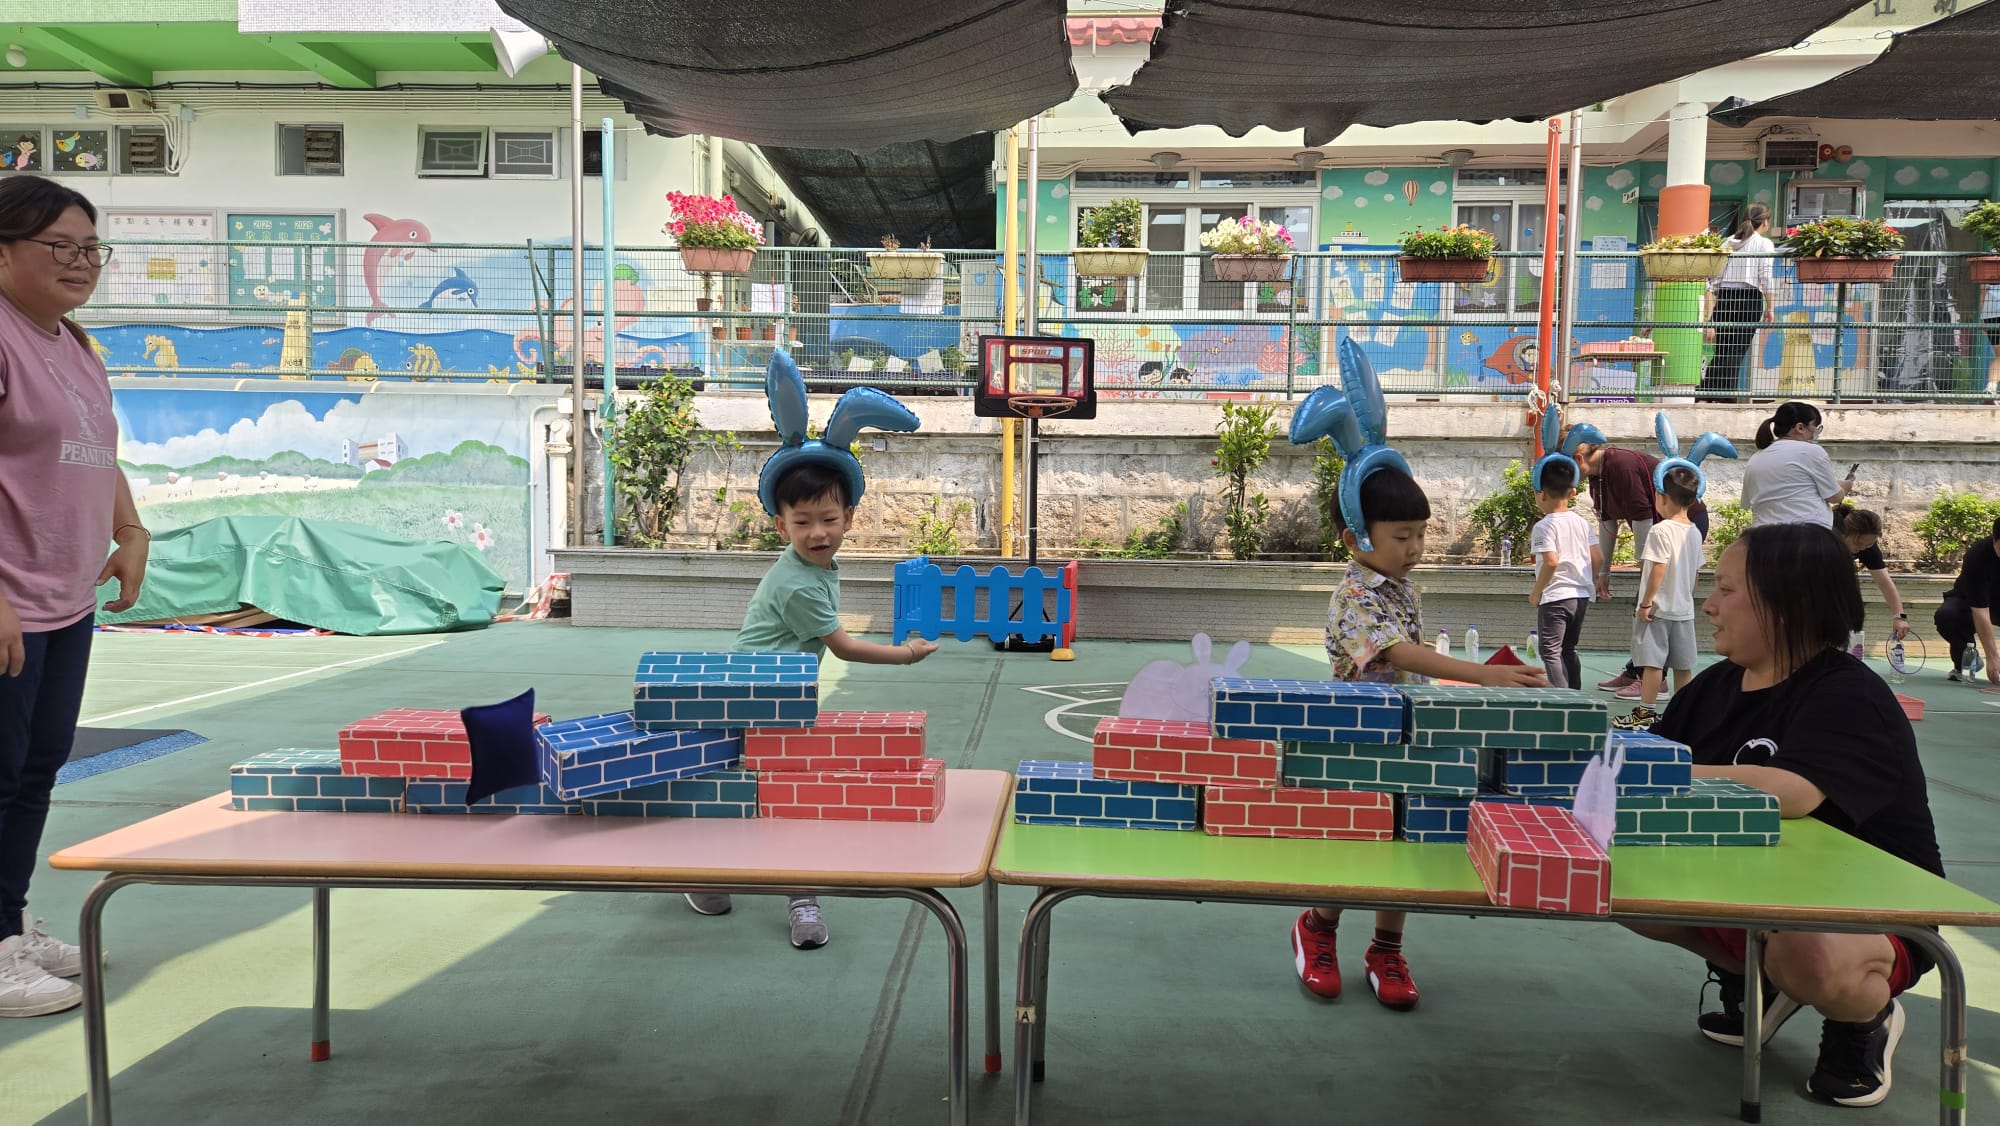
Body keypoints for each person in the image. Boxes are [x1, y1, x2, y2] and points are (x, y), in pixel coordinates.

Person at [1628, 524, 1941, 1108]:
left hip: (1867, 914)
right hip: (1760, 895)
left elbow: (1792, 793)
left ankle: (1864, 1018)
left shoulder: (1848, 694)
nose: (1709, 604)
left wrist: (1654, 769)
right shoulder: (1712, 689)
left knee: (1809, 951)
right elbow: (1651, 770)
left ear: (1785, 605)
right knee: (1617, 879)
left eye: (1727, 590)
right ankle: (1759, 977)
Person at [684, 364, 937, 948]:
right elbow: (843, 646)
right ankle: (795, 895)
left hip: (779, 692)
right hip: (756, 696)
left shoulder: (815, 566)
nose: (817, 532)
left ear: (849, 517)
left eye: (828, 519)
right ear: (781, 525)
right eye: (802, 522)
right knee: (782, 789)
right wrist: (905, 654)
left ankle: (710, 875)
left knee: (760, 787)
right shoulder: (799, 583)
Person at [1298, 468, 1548, 1010]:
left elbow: (1411, 667)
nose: (1415, 548)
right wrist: (1480, 674)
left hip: (1412, 735)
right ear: (1355, 539)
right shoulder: (1353, 595)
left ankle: (1386, 949)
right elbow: (1395, 652)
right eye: (1401, 536)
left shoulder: (1402, 589)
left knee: (1410, 838)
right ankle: (1318, 926)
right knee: (1360, 840)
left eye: (1420, 533)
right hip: (1362, 742)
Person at [0, 175, 149, 1018]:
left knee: (35, 769)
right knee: (0, 774)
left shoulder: (75, 346)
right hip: (9, 602)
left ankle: (9, 923)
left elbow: (98, 447)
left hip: (64, 599)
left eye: (92, 248)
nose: (82, 262)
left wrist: (131, 530)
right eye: (60, 246)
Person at [1615, 467, 1704, 731]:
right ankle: (1684, 714)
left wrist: (1645, 603)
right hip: (1683, 610)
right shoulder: (1694, 532)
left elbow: (1658, 568)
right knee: (1683, 666)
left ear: (1662, 497)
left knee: (1652, 664)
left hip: (1657, 610)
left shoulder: (1660, 531)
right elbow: (1695, 573)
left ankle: (1646, 712)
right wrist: (1686, 598)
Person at [1527, 458, 1602, 690]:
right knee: (1568, 649)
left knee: (1550, 651)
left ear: (1541, 494)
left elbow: (1551, 562)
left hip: (1556, 596)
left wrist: (1536, 593)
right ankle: (1575, 694)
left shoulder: (1544, 526)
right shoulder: (1582, 523)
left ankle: (1562, 699)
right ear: (1572, 492)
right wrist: (1589, 580)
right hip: (1580, 596)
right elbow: (1598, 558)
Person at [1699, 203, 1777, 401]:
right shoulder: (1764, 244)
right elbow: (1765, 276)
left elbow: (1713, 280)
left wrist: (1711, 314)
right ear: (1765, 222)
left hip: (1725, 298)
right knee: (1737, 350)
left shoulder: (1727, 242)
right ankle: (1724, 396)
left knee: (1723, 349)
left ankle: (1709, 391)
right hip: (1749, 299)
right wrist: (1770, 306)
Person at [1741, 401, 1853, 528]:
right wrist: (1844, 487)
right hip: (1806, 532)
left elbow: (1752, 503)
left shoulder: (1755, 458)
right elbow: (1834, 497)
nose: (1815, 433)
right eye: (1815, 427)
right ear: (1800, 428)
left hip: (1762, 534)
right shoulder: (1812, 451)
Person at [1830, 505, 1911, 642]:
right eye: (1858, 543)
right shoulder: (1826, 537)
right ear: (1843, 533)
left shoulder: (1868, 548)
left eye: (1868, 544)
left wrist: (1899, 617)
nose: (1863, 548)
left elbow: (1885, 584)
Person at [1935, 517, 2000, 684]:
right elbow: (1980, 610)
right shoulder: (1978, 555)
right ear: (1994, 540)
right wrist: (1993, 657)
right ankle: (1966, 660)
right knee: (1947, 616)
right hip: (1969, 601)